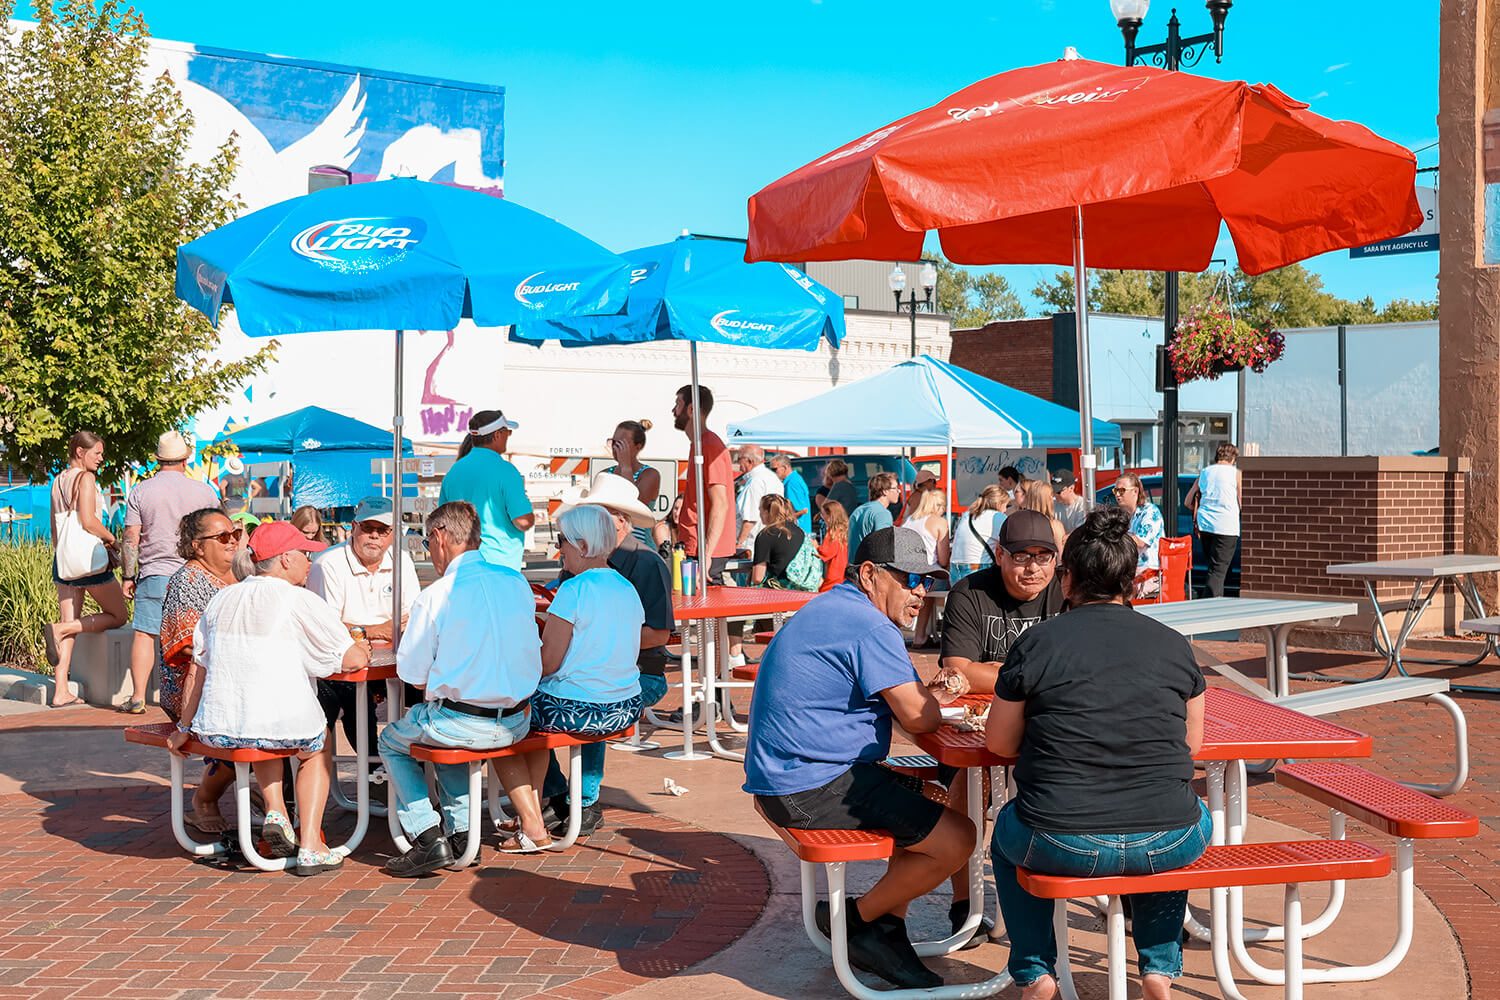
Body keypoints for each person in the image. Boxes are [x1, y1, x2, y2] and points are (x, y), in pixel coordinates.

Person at [986, 507, 1210, 1000]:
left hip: (1061, 840)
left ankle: (1034, 973)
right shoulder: (1175, 645)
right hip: (1168, 838)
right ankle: (1158, 968)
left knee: (1005, 832)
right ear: (1130, 583)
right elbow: (1191, 746)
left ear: (1066, 581)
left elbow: (998, 744)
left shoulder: (1037, 643)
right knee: (1184, 814)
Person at [744, 527, 973, 990]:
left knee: (928, 797)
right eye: (909, 579)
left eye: (926, 581)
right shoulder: (869, 625)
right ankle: (855, 921)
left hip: (791, 775)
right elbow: (918, 718)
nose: (920, 592)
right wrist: (945, 703)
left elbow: (903, 703)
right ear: (869, 574)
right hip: (808, 784)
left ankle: (885, 930)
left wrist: (929, 699)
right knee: (959, 837)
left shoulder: (838, 607)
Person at [169, 520, 370, 877]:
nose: (311, 563)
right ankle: (310, 844)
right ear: (286, 559)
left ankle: (277, 810)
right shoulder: (299, 600)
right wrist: (362, 646)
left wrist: (184, 727)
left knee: (265, 725)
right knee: (317, 743)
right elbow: (352, 660)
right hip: (273, 728)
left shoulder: (223, 597)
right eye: (306, 555)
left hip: (218, 730)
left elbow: (197, 668)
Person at [379, 501, 542, 875]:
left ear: (439, 537)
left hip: (463, 723)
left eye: (425, 542)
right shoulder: (515, 581)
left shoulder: (437, 594)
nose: (427, 550)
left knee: (393, 739)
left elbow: (412, 674)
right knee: (441, 716)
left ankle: (426, 834)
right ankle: (462, 833)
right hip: (516, 722)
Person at [489, 505, 643, 854]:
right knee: (531, 717)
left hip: (581, 708)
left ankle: (531, 821)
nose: (560, 549)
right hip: (626, 705)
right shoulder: (627, 588)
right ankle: (533, 811)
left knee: (496, 722)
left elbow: (547, 662)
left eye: (563, 541)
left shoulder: (574, 590)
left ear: (583, 546)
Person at [540, 473, 672, 836]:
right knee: (593, 682)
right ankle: (563, 797)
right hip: (621, 685)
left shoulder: (646, 563)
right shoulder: (609, 574)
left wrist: (594, 640)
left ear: (621, 520)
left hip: (643, 675)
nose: (595, 516)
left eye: (601, 511)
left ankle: (578, 799)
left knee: (541, 699)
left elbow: (660, 633)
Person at [307, 496, 420, 790]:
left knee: (429, 694)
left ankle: (410, 770)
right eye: (368, 528)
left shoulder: (402, 561)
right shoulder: (328, 564)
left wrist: (362, 630)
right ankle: (380, 770)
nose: (374, 536)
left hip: (393, 659)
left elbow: (413, 616)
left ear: (393, 534)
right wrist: (380, 629)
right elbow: (326, 627)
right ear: (354, 527)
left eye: (382, 530)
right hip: (340, 662)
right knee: (353, 698)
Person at [120, 431, 220, 714]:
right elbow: (218, 531)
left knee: (144, 634)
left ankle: (138, 697)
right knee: (196, 637)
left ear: (158, 460)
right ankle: (196, 696)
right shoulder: (204, 491)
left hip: (155, 573)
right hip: (196, 574)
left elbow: (131, 538)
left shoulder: (141, 491)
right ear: (187, 458)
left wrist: (128, 576)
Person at [157, 506, 240, 832]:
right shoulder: (187, 581)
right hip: (193, 689)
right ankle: (204, 798)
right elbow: (189, 648)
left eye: (235, 534)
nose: (232, 541)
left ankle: (278, 794)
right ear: (197, 545)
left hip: (233, 680)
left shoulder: (240, 575)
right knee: (251, 720)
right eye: (222, 537)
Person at [44, 431, 129, 708]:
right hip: (88, 561)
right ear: (80, 452)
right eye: (97, 453)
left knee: (69, 626)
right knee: (118, 615)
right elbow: (89, 521)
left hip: (65, 560)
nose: (101, 459)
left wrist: (63, 555)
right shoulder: (87, 478)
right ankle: (61, 628)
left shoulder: (57, 481)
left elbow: (57, 529)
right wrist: (113, 541)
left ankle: (60, 691)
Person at [436, 408, 534, 569]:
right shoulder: (506, 471)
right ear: (497, 435)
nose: (507, 437)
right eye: (507, 432)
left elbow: (442, 520)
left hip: (461, 562)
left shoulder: (454, 472)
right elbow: (523, 521)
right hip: (499, 564)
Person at [672, 384, 736, 578]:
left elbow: (720, 503)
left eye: (678, 404)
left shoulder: (709, 446)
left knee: (704, 602)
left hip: (706, 549)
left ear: (692, 409)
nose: (674, 411)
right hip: (697, 545)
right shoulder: (699, 445)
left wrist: (707, 553)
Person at [1185, 443, 1241, 598]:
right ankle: (1208, 605)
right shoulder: (1236, 474)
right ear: (1233, 458)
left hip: (1205, 525)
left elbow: (1188, 502)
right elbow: (1242, 502)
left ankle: (1218, 604)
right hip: (1226, 526)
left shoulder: (1204, 472)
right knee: (1217, 571)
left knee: (1214, 569)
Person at [898, 487, 950, 649]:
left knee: (926, 590)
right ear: (939, 506)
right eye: (944, 507)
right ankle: (926, 635)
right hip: (928, 578)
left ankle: (922, 634)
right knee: (953, 584)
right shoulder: (940, 522)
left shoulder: (909, 520)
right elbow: (943, 560)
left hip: (906, 574)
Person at [604, 419, 662, 546]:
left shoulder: (649, 474)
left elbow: (634, 505)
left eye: (622, 444)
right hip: (610, 547)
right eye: (613, 442)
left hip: (639, 548)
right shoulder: (605, 474)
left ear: (638, 447)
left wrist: (626, 467)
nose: (616, 447)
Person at [1112, 473, 1165, 599]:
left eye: (1121, 490)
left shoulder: (1150, 511)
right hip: (1129, 571)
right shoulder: (1123, 515)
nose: (1117, 494)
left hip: (1148, 573)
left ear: (1135, 491)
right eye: (1115, 490)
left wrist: (1114, 535)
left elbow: (1141, 541)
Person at [949, 485, 1007, 584]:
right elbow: (1008, 542)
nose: (1005, 509)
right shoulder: (997, 516)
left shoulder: (968, 514)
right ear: (999, 504)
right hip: (978, 567)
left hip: (955, 568)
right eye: (1006, 505)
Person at [733, 444, 784, 555]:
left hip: (750, 546)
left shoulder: (755, 482)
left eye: (739, 459)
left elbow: (750, 519)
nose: (738, 463)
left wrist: (738, 543)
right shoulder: (772, 478)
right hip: (768, 541)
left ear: (750, 461)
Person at [749, 495, 805, 588]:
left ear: (767, 512)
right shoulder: (800, 532)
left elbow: (758, 578)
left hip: (778, 592)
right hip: (803, 590)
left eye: (760, 511)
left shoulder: (767, 534)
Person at [847, 472, 899, 558]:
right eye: (895, 488)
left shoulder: (859, 510)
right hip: (871, 568)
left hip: (854, 567)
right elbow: (883, 549)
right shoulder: (882, 513)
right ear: (885, 491)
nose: (899, 491)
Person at [1020, 480, 1068, 554]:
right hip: (1046, 563)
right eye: (1051, 496)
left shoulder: (1019, 522)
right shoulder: (1054, 526)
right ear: (1048, 499)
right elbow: (1061, 557)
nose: (1053, 499)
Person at [769, 453, 812, 534]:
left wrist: (780, 520)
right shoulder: (793, 480)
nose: (773, 473)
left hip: (798, 532)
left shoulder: (792, 483)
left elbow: (802, 511)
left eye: (774, 470)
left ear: (784, 468)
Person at [817, 502, 849, 593]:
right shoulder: (844, 530)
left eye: (823, 514)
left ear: (830, 516)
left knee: (824, 593)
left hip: (834, 573)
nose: (822, 518)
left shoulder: (833, 532)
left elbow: (826, 553)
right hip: (843, 571)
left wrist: (816, 546)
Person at [1050, 469, 1088, 534]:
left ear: (1071, 488)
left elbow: (1079, 531)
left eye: (1058, 492)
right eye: (1053, 491)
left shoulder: (1083, 506)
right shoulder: (1052, 503)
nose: (1054, 494)